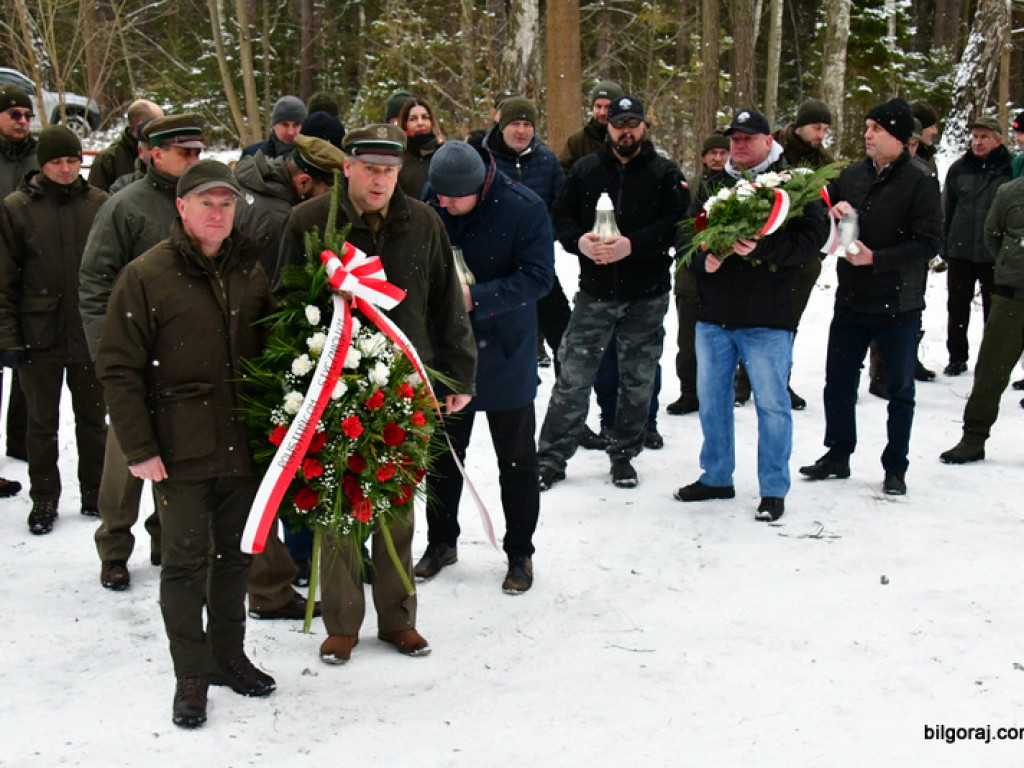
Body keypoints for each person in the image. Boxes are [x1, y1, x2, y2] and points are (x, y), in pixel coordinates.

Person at [278, 124, 476, 665]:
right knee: (338, 506)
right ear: (347, 169)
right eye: (369, 169)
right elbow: (283, 304)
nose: (379, 180)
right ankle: (341, 622)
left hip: (404, 384)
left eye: (389, 171)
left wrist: (457, 375)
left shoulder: (425, 222)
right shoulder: (309, 222)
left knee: (394, 506)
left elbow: (447, 307)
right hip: (331, 385)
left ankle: (398, 620)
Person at [96, 159, 276, 729]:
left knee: (234, 558)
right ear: (182, 207)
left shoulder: (250, 268)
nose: (218, 213)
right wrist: (139, 447)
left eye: (227, 203)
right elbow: (119, 369)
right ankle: (190, 675)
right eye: (207, 203)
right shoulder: (147, 274)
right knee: (183, 563)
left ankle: (227, 656)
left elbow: (273, 346)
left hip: (242, 445)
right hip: (179, 451)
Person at [673, 109, 827, 522]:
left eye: (746, 139)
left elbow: (812, 240)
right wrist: (700, 259)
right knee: (712, 401)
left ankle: (773, 488)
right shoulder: (715, 183)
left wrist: (762, 249)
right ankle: (717, 476)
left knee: (772, 406)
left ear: (766, 141)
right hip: (714, 314)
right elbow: (687, 230)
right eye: (733, 139)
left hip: (768, 316)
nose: (738, 146)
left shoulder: (793, 183)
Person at [415, 141, 553, 592]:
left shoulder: (522, 207)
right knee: (443, 456)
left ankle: (520, 553)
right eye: (440, 196)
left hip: (506, 348)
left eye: (455, 197)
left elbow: (539, 276)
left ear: (480, 186)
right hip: (447, 352)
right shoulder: (431, 202)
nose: (446, 205)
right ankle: (441, 541)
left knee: (516, 460)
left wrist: (477, 297)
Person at [80, 113, 207, 590]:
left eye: (197, 152)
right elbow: (94, 281)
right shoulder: (125, 206)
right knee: (126, 456)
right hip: (134, 354)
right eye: (184, 152)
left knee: (179, 453)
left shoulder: (202, 201)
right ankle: (114, 545)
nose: (193, 160)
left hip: (185, 355)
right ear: (154, 152)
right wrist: (104, 353)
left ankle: (164, 536)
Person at [537, 95, 688, 490]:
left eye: (633, 123)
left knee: (637, 381)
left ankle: (624, 454)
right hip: (595, 294)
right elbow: (559, 216)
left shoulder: (664, 173)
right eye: (619, 123)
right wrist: (579, 243)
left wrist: (634, 245)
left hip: (646, 294)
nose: (625, 131)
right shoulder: (586, 171)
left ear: (644, 127)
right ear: (608, 127)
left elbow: (678, 224)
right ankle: (551, 458)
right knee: (572, 377)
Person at [799, 98, 941, 496]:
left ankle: (895, 466)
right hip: (852, 298)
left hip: (899, 303)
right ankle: (838, 453)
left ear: (897, 136)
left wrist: (878, 259)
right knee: (838, 382)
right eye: (866, 127)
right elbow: (822, 206)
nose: (867, 135)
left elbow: (930, 242)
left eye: (875, 129)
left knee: (899, 390)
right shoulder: (853, 173)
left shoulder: (920, 179)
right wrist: (831, 211)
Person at [0, 126, 107, 534]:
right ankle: (44, 497)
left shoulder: (99, 203)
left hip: (88, 332)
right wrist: (8, 336)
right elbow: (5, 278)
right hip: (37, 333)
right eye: (56, 162)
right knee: (40, 423)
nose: (65, 169)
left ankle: (96, 492)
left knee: (93, 421)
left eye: (72, 160)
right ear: (41, 164)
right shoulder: (17, 208)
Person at [939, 174, 1024, 464]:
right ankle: (973, 437)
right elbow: (993, 234)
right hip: (1012, 297)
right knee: (991, 370)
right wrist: (1008, 265)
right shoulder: (1010, 192)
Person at [941, 115, 1012, 377]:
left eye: (984, 137)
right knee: (956, 308)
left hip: (995, 253)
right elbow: (946, 207)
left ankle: (992, 361)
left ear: (998, 140)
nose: (978, 142)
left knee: (995, 312)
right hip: (960, 250)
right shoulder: (959, 168)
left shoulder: (1009, 169)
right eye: (975, 137)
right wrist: (945, 242)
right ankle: (957, 357)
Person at [667, 132, 731, 417]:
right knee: (688, 342)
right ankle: (689, 392)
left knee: (725, 341)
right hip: (690, 278)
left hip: (726, 278)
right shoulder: (689, 187)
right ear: (703, 157)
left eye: (723, 152)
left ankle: (724, 391)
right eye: (712, 153)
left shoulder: (740, 188)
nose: (717, 158)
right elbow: (680, 229)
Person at [233, 134, 344, 280]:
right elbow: (272, 292)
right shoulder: (277, 222)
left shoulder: (249, 181)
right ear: (303, 182)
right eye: (328, 192)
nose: (332, 200)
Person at [0, 86, 37, 489]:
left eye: (26, 114)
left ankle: (21, 440)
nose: (21, 120)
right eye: (13, 113)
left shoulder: (36, 156)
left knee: (28, 365)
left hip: (29, 273)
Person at [88, 99, 163, 192]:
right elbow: (95, 198)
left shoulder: (163, 151)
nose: (161, 128)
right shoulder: (108, 159)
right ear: (142, 125)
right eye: (157, 122)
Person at [557, 80, 624, 174]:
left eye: (608, 107)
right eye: (598, 106)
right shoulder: (577, 142)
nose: (602, 112)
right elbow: (562, 176)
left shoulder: (629, 139)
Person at [396, 97, 442, 198]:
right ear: (405, 124)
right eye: (413, 119)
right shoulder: (397, 157)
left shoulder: (443, 154)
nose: (420, 123)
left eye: (425, 117)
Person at [773, 99, 835, 168]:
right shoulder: (772, 148)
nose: (821, 135)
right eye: (817, 128)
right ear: (800, 126)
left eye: (825, 130)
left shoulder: (825, 162)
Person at [241, 96, 307, 159]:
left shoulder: (313, 158)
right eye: (285, 125)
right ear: (274, 125)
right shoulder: (252, 155)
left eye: (296, 125)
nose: (290, 132)